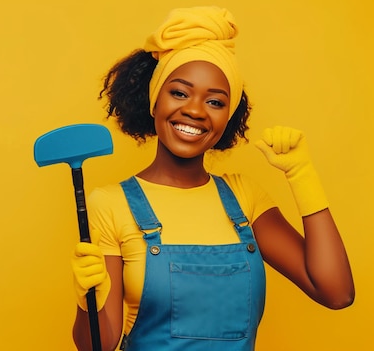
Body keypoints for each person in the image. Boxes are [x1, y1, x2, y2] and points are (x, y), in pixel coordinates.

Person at [70, 6, 355, 351]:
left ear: (228, 118)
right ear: (153, 101)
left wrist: (302, 176)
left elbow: (336, 292)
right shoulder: (109, 204)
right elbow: (97, 346)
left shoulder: (243, 197)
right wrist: (89, 300)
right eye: (179, 92)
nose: (195, 110)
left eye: (216, 101)